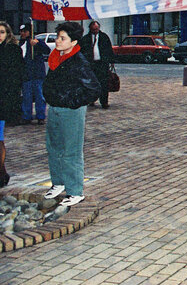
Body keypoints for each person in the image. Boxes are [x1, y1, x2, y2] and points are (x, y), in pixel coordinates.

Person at [42, 21, 101, 207]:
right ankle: (58, 183)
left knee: (71, 151)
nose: (57, 41)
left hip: (71, 111)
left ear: (73, 42)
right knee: (54, 148)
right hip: (55, 108)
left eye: (62, 38)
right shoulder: (55, 57)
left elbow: (93, 89)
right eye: (58, 37)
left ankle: (75, 191)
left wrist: (72, 101)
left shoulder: (78, 62)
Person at [0, 21, 24, 187]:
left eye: (1, 32)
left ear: (8, 34)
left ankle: (1, 172)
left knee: (0, 138)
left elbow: (16, 76)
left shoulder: (13, 50)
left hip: (4, 99)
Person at [79, 21, 116, 109]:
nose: (95, 31)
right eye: (93, 29)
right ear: (90, 29)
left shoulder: (104, 37)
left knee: (104, 83)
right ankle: (91, 100)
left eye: (96, 29)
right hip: (90, 64)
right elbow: (82, 51)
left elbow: (109, 49)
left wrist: (111, 61)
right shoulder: (85, 39)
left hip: (102, 64)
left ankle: (104, 102)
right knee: (91, 83)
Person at [19, 23, 48, 125]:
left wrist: (38, 44)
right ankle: (27, 116)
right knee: (27, 96)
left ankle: (40, 116)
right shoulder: (20, 43)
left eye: (24, 31)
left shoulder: (37, 42)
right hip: (26, 75)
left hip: (37, 74)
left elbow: (47, 50)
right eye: (21, 31)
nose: (22, 33)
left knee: (39, 96)